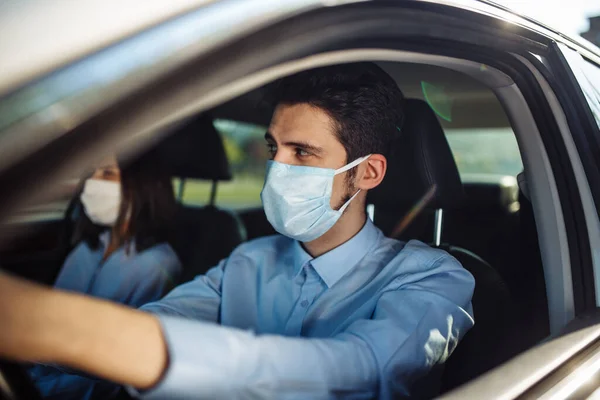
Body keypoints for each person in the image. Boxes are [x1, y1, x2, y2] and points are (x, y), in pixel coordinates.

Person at [0, 62, 475, 399]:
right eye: (273, 148)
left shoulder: (433, 279)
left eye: (302, 153)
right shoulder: (249, 261)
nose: (276, 168)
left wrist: (52, 325)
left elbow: (363, 372)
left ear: (368, 173)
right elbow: (162, 318)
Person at [30, 151, 182, 399]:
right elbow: (51, 318)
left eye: (107, 174)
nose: (92, 182)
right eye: (92, 173)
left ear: (139, 186)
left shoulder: (157, 265)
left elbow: (120, 365)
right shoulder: (87, 248)